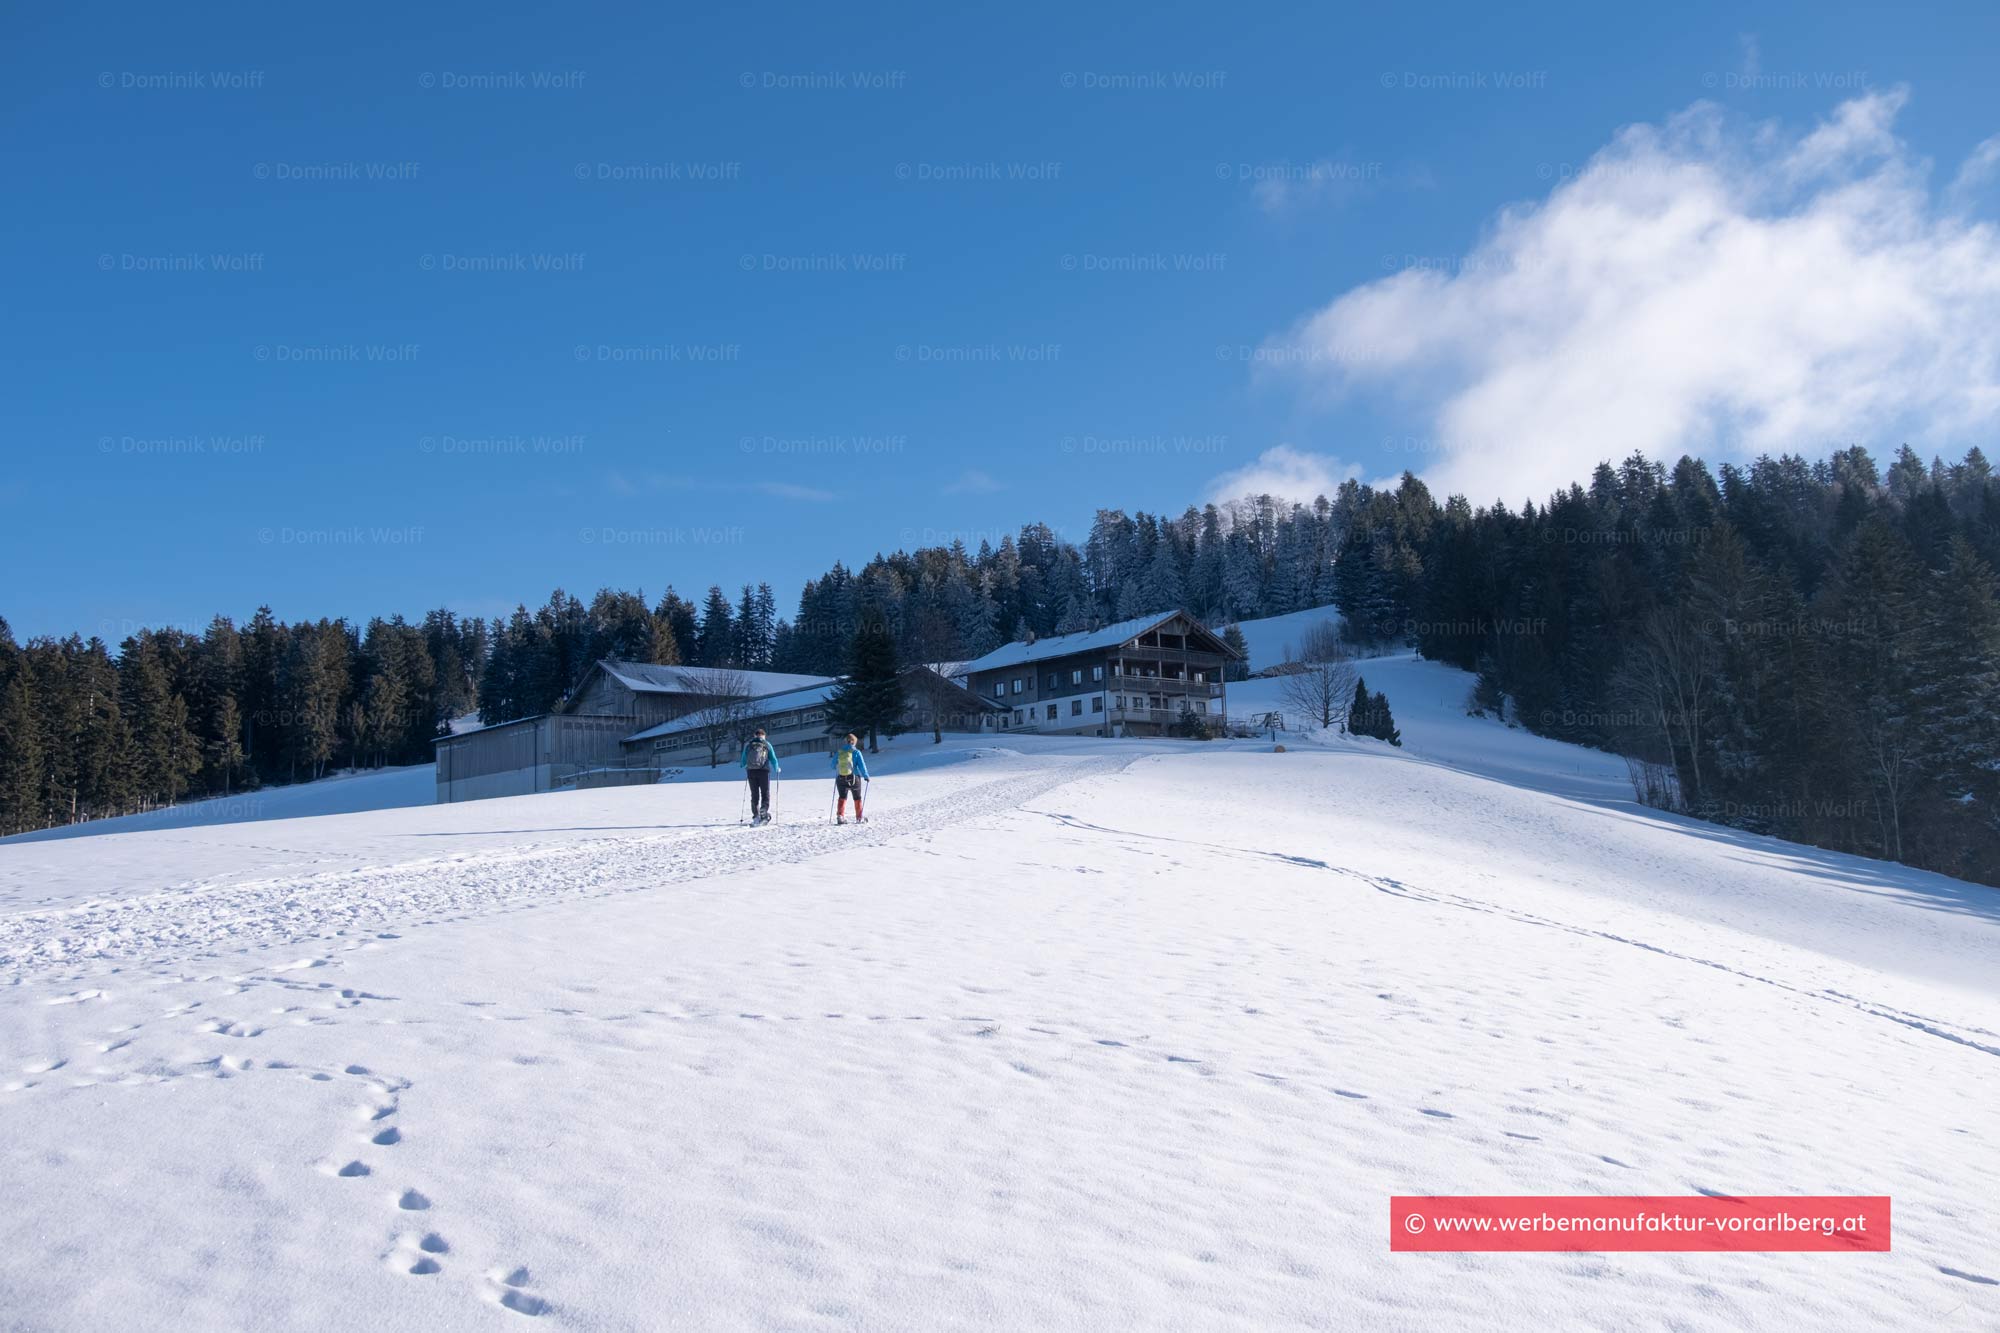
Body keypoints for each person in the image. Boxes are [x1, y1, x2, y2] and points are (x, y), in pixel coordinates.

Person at [737, 726, 781, 823]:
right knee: (765, 793)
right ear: (764, 736)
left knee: (754, 794)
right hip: (763, 771)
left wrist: (744, 766)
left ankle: (756, 816)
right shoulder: (767, 744)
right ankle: (764, 811)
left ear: (755, 735)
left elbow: (743, 760)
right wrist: (777, 768)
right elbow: (773, 758)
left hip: (751, 772)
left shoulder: (749, 745)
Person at [830, 732, 869, 824]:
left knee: (842, 797)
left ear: (846, 741)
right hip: (854, 778)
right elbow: (862, 766)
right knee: (857, 798)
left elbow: (832, 765)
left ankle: (840, 816)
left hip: (841, 778)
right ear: (854, 742)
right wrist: (866, 776)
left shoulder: (839, 752)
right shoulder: (856, 752)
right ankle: (859, 817)